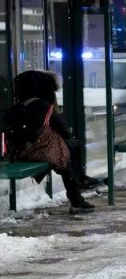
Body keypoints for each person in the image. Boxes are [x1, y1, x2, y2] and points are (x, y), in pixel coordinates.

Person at [4, 70, 95, 212]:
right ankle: (76, 195)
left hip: (21, 153)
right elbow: (63, 130)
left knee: (63, 153)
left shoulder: (14, 108)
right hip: (40, 151)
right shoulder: (44, 106)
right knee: (66, 152)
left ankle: (77, 190)